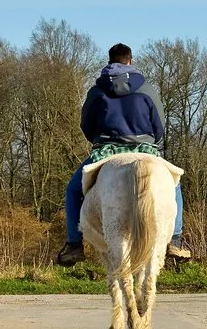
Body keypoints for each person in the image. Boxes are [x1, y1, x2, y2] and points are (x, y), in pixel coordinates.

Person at [57, 44, 192, 267]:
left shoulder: (96, 91)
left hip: (107, 149)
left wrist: (100, 139)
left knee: (72, 190)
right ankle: (175, 239)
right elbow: (159, 125)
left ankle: (74, 244)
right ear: (130, 60)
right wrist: (151, 142)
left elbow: (86, 125)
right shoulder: (147, 89)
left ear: (110, 62)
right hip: (144, 149)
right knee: (175, 185)